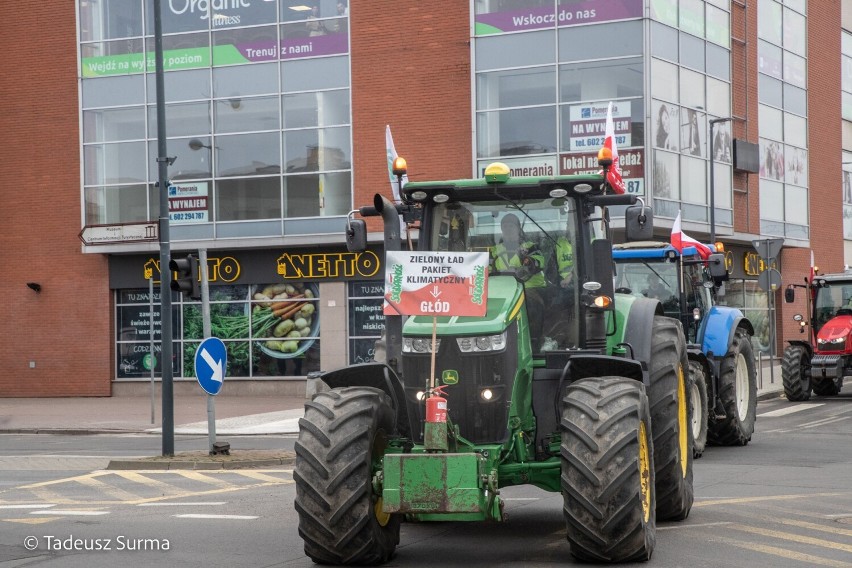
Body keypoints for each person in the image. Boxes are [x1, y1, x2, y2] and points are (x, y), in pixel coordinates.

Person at [490, 213, 547, 346]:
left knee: (532, 306)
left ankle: (536, 341)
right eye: (504, 226)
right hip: (502, 292)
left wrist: (527, 262)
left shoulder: (530, 247)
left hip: (531, 289)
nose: (508, 229)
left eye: (511, 226)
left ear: (518, 228)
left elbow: (538, 262)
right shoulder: (495, 251)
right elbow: (485, 270)